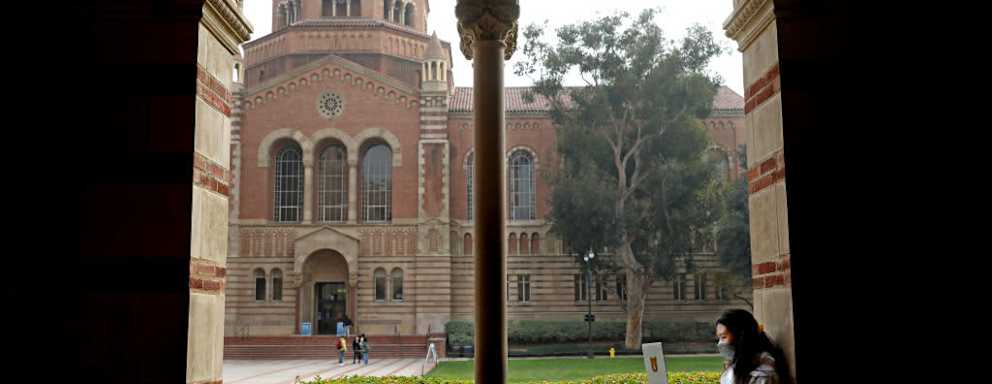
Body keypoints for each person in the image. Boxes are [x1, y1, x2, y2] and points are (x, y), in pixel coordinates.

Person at [715, 309, 792, 384]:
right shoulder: (738, 365)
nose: (720, 343)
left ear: (740, 336)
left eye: (724, 337)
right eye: (719, 338)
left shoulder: (763, 373)